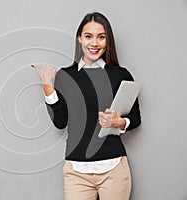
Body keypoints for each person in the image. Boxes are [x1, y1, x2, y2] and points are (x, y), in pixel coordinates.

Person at [32, 12, 141, 200]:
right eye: (88, 36)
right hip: (77, 171)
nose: (94, 43)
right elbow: (60, 122)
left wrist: (119, 121)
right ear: (79, 39)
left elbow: (136, 118)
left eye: (101, 37)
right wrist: (49, 89)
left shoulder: (120, 75)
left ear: (108, 41)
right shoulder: (65, 76)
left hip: (113, 169)